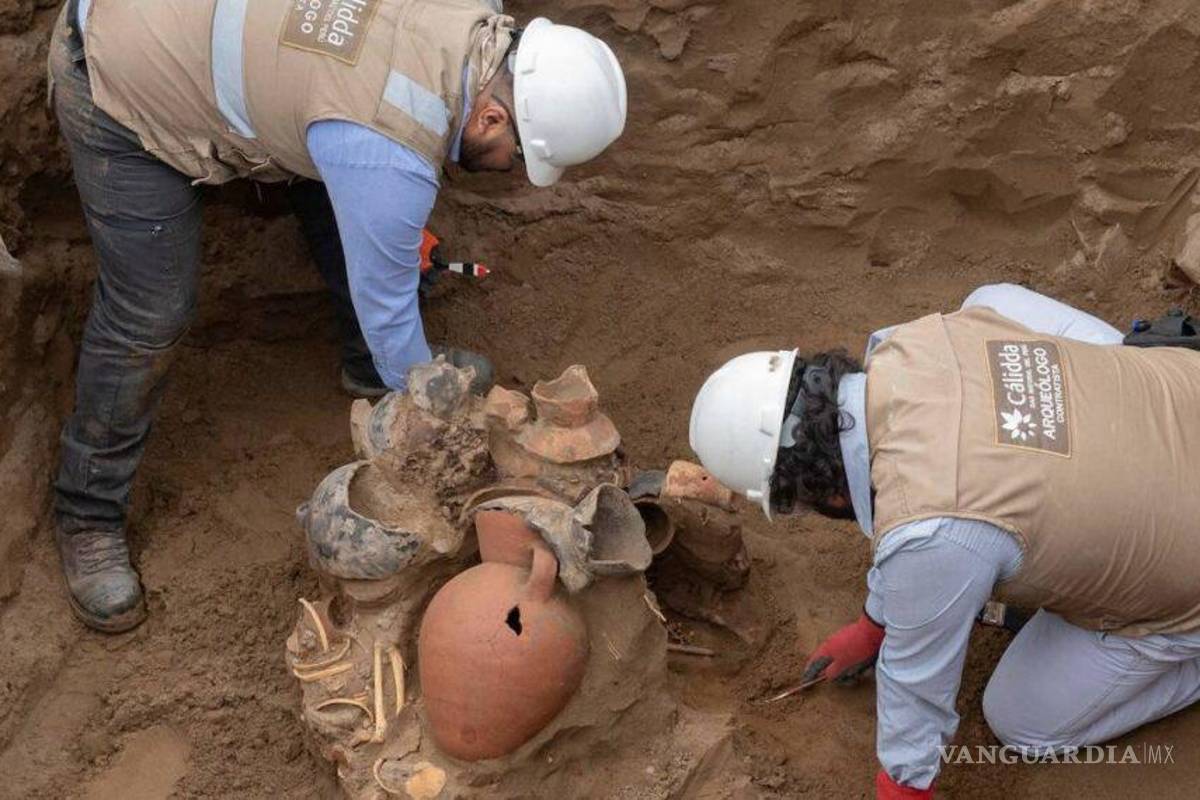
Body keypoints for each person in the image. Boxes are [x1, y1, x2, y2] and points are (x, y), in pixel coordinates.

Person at [47, 0, 627, 633]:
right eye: (516, 157)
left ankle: (361, 367)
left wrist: (388, 230)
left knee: (337, 165)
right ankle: (87, 512)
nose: (509, 170)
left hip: (241, 50)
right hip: (117, 71)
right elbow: (394, 328)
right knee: (149, 311)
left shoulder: (474, 16)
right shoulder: (385, 154)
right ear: (491, 116)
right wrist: (438, 421)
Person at [688, 284, 1200, 799]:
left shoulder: (931, 532)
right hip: (1184, 393)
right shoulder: (915, 341)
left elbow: (916, 687)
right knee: (999, 307)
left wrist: (903, 787)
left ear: (820, 492)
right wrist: (873, 625)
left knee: (1021, 720)